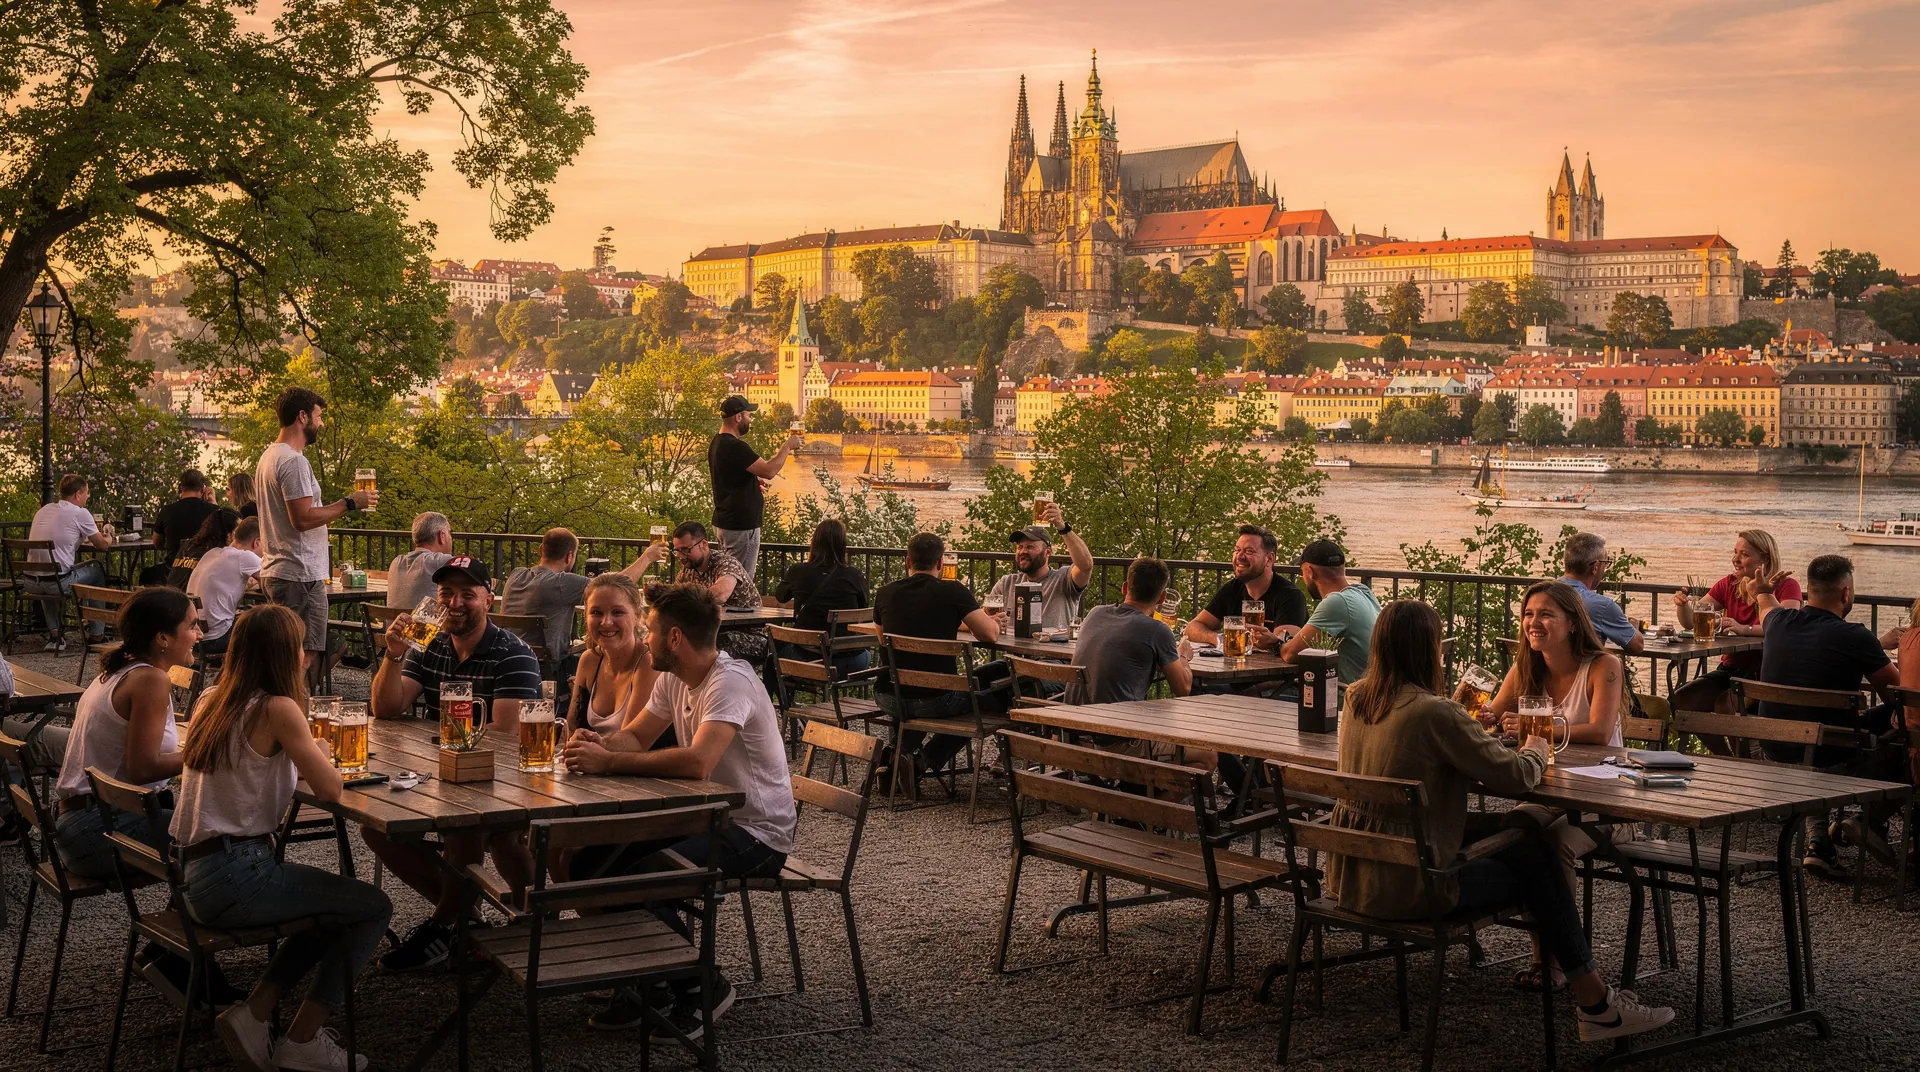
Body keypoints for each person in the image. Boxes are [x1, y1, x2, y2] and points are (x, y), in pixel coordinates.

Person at [1330, 598, 1673, 1043]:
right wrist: (1536, 743)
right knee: (1538, 860)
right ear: (1428, 650)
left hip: (1351, 875)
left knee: (1527, 837)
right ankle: (1597, 1005)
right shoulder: (1434, 712)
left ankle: (1575, 983)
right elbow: (1517, 777)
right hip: (1413, 887)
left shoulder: (1357, 697)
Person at [561, 582, 796, 1036]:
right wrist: (601, 743)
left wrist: (610, 762)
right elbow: (638, 736)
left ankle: (702, 985)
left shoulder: (730, 681)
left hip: (756, 832)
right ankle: (648, 981)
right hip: (706, 817)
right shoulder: (674, 675)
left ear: (673, 638)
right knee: (588, 864)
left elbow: (697, 761)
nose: (644, 638)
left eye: (648, 629)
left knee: (644, 880)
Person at [178, 605, 392, 1072]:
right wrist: (316, 748)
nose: (304, 655)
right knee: (373, 907)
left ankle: (255, 1013)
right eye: (298, 646)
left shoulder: (212, 698)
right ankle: (303, 1040)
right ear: (283, 654)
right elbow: (332, 788)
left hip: (196, 876)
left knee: (330, 911)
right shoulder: (278, 708)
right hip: (239, 876)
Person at [366, 555, 542, 970]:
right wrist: (393, 655)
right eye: (447, 593)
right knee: (376, 828)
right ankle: (469, 918)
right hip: (445, 774)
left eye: (468, 594)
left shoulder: (511, 653)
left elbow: (504, 738)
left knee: (467, 825)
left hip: (506, 778)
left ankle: (444, 923)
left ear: (489, 599)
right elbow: (386, 709)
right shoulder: (428, 642)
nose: (456, 603)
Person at [50, 588, 221, 1010]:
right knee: (215, 847)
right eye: (191, 625)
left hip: (78, 824)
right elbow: (144, 768)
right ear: (163, 637)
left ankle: (171, 955)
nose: (199, 633)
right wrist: (208, 750)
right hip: (98, 833)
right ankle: (184, 966)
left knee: (200, 833)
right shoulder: (150, 679)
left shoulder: (120, 668)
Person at [1481, 580, 1630, 990]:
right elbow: (1488, 717)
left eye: (1546, 614)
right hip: (1549, 795)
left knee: (1557, 843)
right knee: (1517, 832)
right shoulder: (1525, 668)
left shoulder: (1603, 666)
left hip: (1610, 801)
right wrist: (1480, 718)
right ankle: (1541, 957)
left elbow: (1600, 731)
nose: (1534, 622)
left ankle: (1561, 964)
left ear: (1572, 623)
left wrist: (1540, 727)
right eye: (1528, 614)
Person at [1748, 558, 1901, 879]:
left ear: (1808, 591)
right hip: (1831, 751)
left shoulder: (1778, 622)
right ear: (1846, 593)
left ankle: (1820, 840)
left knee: (1823, 728)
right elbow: (1898, 696)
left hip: (1774, 746)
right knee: (1903, 722)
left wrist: (1761, 591)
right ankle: (1870, 819)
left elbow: (1766, 604)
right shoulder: (1856, 637)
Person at [256, 387, 377, 683]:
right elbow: (303, 518)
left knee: (284, 654)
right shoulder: (294, 461)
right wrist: (349, 503)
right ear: (302, 416)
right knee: (303, 656)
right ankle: (296, 719)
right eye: (319, 416)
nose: (321, 424)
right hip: (300, 574)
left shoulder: (268, 457)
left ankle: (285, 717)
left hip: (279, 570)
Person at [872, 532, 1001, 783]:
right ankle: (921, 763)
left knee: (917, 699)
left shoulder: (885, 592)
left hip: (890, 696)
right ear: (941, 563)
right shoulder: (952, 591)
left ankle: (895, 760)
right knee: (990, 697)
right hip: (937, 700)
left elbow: (882, 639)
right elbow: (990, 635)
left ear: (907, 561)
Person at [1669, 529, 1802, 719]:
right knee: (1679, 701)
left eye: (1744, 554)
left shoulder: (1787, 586)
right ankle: (1723, 751)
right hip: (1731, 669)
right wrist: (1682, 605)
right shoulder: (1729, 584)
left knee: (1725, 706)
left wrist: (1742, 628)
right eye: (1735, 552)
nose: (1735, 559)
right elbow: (1691, 622)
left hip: (1767, 672)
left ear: (1764, 559)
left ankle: (1741, 750)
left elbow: (1787, 627)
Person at [636, 521, 766, 662]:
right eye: (677, 550)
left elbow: (720, 594)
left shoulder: (727, 563)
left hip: (751, 636)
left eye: (686, 550)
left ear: (704, 545)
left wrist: (682, 597)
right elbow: (676, 598)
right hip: (715, 632)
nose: (681, 556)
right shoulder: (689, 569)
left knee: (709, 644)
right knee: (668, 638)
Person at [1070, 556, 1194, 705]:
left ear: (1124, 588)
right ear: (1162, 598)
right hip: (1115, 721)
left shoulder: (1095, 613)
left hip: (1071, 717)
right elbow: (1183, 689)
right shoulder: (1157, 630)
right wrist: (1184, 656)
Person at [707, 394, 801, 578]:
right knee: (740, 579)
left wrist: (751, 483)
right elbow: (769, 470)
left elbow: (730, 477)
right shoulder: (735, 446)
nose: (751, 419)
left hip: (725, 521)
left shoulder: (717, 443)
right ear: (738, 417)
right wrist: (787, 446)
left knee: (728, 574)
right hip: (741, 525)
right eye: (749, 415)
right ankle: (739, 608)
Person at [24, 473, 114, 651]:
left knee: (49, 574)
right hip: (58, 583)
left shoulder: (44, 510)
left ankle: (56, 636)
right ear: (78, 495)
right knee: (97, 572)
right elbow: (102, 545)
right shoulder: (80, 513)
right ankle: (97, 635)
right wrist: (110, 535)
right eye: (87, 493)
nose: (88, 497)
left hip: (30, 583)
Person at [1186, 524, 1309, 651]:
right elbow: (1192, 627)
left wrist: (1273, 642)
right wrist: (1218, 638)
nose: (1239, 556)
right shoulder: (1232, 589)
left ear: (1269, 559)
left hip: (1274, 670)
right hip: (1235, 666)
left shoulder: (1290, 595)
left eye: (1249, 551)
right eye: (1237, 550)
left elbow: (1286, 646)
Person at [566, 573, 659, 735]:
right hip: (591, 758)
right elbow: (571, 730)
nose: (606, 622)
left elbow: (631, 742)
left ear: (637, 615)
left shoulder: (649, 663)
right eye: (596, 613)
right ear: (586, 618)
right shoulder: (589, 660)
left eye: (617, 612)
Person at [773, 518, 870, 672]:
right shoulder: (855, 576)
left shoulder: (798, 571)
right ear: (842, 545)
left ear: (815, 542)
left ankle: (778, 696)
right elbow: (863, 609)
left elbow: (780, 597)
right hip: (852, 659)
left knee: (772, 657)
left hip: (810, 656)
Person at [1279, 539, 1381, 685]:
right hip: (1374, 693)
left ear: (1309, 572)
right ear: (1343, 567)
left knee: (1257, 693)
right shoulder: (1363, 592)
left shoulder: (1337, 602)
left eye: (1302, 572)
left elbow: (1290, 654)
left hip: (1349, 698)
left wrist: (1277, 644)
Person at [985, 504, 1093, 633]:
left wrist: (1063, 527)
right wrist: (991, 621)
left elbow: (1086, 565)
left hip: (1053, 652)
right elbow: (977, 618)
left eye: (1030, 547)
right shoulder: (1007, 582)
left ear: (1048, 552)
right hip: (1013, 652)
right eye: (1020, 547)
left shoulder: (1063, 579)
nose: (1023, 551)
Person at [502, 528, 593, 666]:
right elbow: (614, 587)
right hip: (549, 668)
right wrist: (640, 560)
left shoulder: (515, 575)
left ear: (541, 550)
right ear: (569, 556)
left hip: (508, 659)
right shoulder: (562, 583)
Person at [186, 517, 264, 657]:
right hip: (216, 639)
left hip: (195, 636)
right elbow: (273, 583)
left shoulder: (212, 553)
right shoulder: (245, 557)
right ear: (257, 542)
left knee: (247, 615)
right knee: (264, 625)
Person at [1560, 532, 1643, 654]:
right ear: (1595, 567)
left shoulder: (1542, 594)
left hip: (1544, 671)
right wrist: (1633, 626)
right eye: (1606, 563)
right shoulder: (1601, 606)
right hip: (1584, 671)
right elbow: (1637, 645)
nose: (1605, 568)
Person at [385, 511, 453, 610]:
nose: (451, 538)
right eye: (449, 533)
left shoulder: (396, 562)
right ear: (442, 536)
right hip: (424, 625)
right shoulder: (442, 561)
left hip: (396, 625)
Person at [152, 468, 220, 565]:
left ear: (180, 488)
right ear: (202, 489)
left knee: (146, 575)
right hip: (204, 569)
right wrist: (213, 502)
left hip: (173, 570)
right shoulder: (214, 511)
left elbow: (157, 543)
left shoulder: (167, 510)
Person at [165, 507, 240, 589]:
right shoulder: (217, 553)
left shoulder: (188, 544)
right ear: (228, 534)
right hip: (189, 600)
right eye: (238, 531)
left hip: (169, 597)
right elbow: (231, 584)